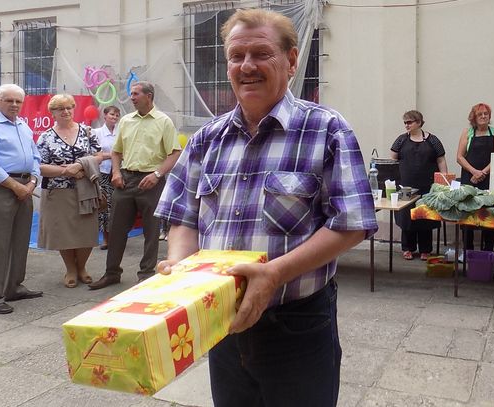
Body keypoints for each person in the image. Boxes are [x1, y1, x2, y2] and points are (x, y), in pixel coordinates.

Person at [154, 9, 377, 407]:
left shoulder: (326, 129)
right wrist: (179, 267)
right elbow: (184, 216)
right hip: (223, 321)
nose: (247, 66)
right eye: (236, 56)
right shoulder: (207, 139)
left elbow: (351, 223)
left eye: (261, 54)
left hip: (297, 325)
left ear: (291, 61)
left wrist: (274, 274)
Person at [88, 81, 181, 289]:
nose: (131, 97)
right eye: (131, 94)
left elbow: (175, 152)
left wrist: (157, 174)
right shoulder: (126, 121)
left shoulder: (163, 121)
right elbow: (116, 152)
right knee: (115, 228)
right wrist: (116, 172)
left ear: (149, 96)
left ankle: (146, 275)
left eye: (136, 94)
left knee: (151, 231)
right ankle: (112, 273)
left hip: (151, 181)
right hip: (125, 180)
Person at [0, 84, 42, 314]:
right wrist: (15, 186)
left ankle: (13, 287)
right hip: (1, 188)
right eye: (9, 100)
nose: (14, 105)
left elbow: (35, 157)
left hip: (25, 187)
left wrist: (32, 182)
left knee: (20, 241)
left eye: (18, 101)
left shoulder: (23, 126)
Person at [36, 94, 102, 288]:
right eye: (60, 109)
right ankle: (70, 269)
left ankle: (81, 267)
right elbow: (40, 166)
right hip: (58, 192)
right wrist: (66, 171)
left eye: (69, 107)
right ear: (53, 113)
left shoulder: (87, 131)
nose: (65, 111)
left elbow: (99, 155)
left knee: (86, 231)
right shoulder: (46, 137)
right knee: (63, 232)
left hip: (86, 190)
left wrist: (80, 165)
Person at [390, 110, 448, 261]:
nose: (406, 125)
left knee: (425, 217)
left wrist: (444, 180)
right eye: (405, 122)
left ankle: (425, 250)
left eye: (409, 122)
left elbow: (441, 160)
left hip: (427, 186)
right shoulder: (401, 140)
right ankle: (407, 248)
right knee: (406, 218)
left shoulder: (433, 140)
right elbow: (393, 159)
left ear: (419, 122)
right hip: (405, 186)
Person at [457, 102, 494, 251]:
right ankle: (468, 251)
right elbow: (459, 157)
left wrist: (482, 173)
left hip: (489, 180)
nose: (483, 116)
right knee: (467, 214)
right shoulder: (467, 133)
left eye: (486, 114)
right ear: (474, 118)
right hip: (469, 179)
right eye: (480, 114)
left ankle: (487, 250)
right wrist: (474, 172)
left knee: (489, 214)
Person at [92, 105, 121, 250]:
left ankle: (117, 236)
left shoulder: (120, 132)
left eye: (116, 115)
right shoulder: (97, 133)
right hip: (103, 173)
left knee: (117, 205)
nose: (114, 117)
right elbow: (94, 154)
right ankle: (105, 237)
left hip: (119, 172)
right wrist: (112, 155)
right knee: (104, 205)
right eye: (112, 114)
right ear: (105, 116)